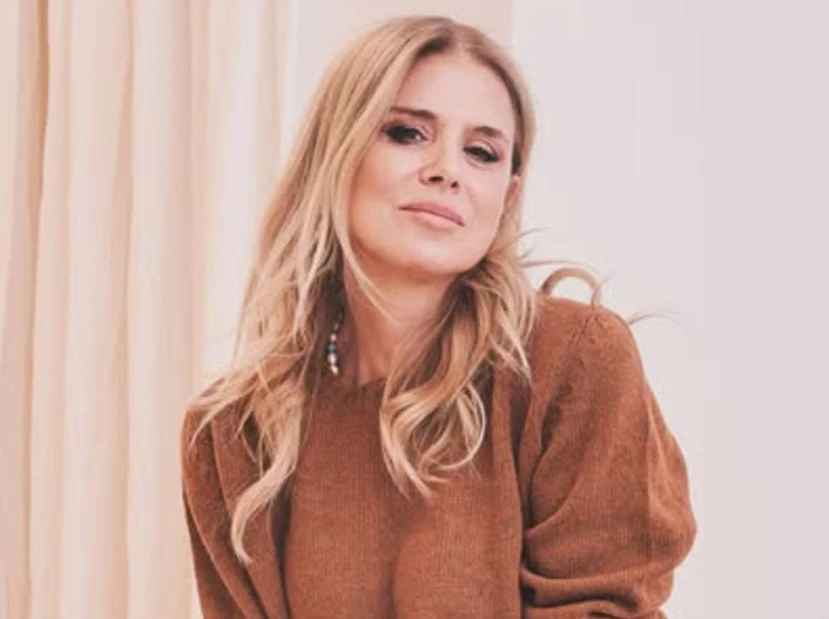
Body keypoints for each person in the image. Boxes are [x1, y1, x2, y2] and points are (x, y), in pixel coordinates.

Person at [180, 14, 697, 619]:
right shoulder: (233, 434)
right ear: (334, 154)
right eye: (407, 133)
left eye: (481, 152)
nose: (447, 170)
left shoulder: (571, 363)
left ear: (506, 196)